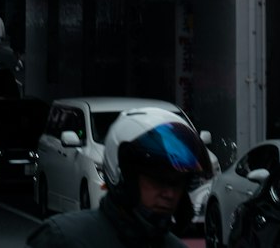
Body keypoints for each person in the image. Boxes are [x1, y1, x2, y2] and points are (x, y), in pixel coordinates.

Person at [26, 106, 211, 248]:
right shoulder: (64, 239)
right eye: (158, 180)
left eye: (178, 183)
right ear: (125, 177)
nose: (169, 194)